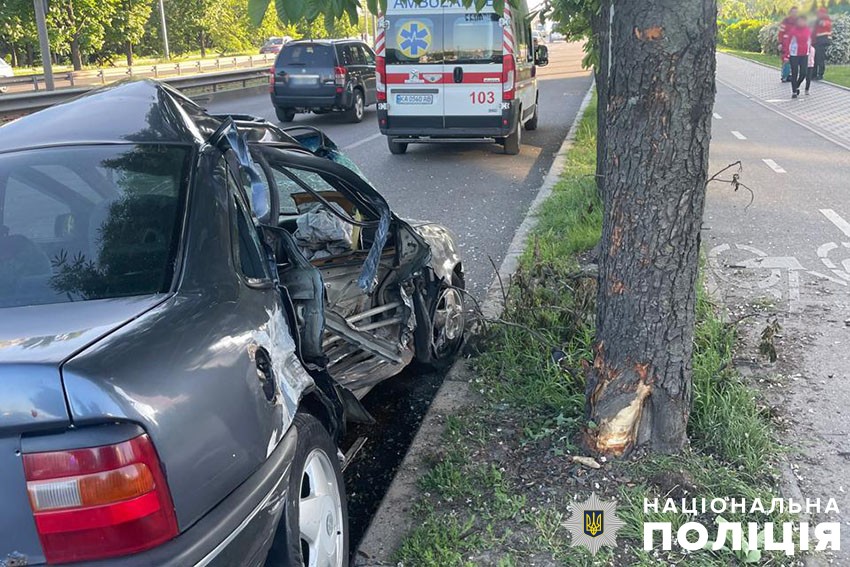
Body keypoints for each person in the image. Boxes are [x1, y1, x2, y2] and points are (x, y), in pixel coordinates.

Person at [786, 15, 811, 98]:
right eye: (800, 21)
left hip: (804, 54)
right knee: (794, 72)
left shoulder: (807, 30)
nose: (802, 23)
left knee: (804, 73)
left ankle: (797, 85)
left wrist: (810, 50)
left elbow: (810, 40)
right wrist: (786, 54)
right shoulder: (793, 31)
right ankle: (794, 91)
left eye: (803, 21)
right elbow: (788, 42)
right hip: (794, 54)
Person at [778, 6, 799, 82]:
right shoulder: (785, 21)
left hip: (795, 44)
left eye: (796, 12)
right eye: (793, 12)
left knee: (794, 60)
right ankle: (784, 76)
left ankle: (790, 75)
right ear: (790, 12)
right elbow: (781, 33)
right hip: (786, 43)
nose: (795, 14)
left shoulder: (798, 21)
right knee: (786, 59)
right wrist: (780, 43)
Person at [813, 7, 832, 80]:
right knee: (814, 59)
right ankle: (813, 74)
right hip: (816, 42)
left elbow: (824, 24)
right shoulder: (819, 20)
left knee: (820, 59)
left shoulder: (826, 20)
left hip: (821, 42)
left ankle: (820, 74)